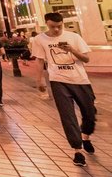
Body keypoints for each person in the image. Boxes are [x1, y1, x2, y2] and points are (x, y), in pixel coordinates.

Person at [31, 12, 96, 167]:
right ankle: (77, 151)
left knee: (90, 113)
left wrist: (72, 50)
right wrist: (39, 80)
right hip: (58, 81)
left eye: (59, 26)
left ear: (62, 23)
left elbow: (86, 59)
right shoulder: (39, 39)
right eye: (53, 26)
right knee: (68, 116)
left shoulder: (74, 37)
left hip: (80, 80)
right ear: (46, 23)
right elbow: (39, 61)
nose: (56, 29)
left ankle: (85, 137)